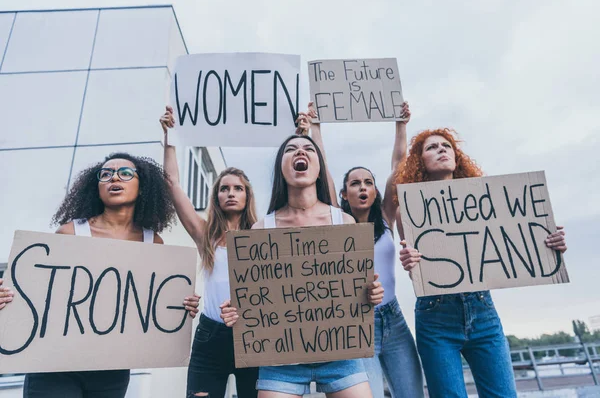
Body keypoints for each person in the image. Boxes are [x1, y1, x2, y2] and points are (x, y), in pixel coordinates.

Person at [0, 152, 200, 398]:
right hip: (55, 365)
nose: (114, 177)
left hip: (111, 369)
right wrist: (10, 296)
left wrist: (180, 304)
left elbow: (151, 302)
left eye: (125, 173)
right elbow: (40, 291)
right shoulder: (71, 232)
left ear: (143, 186)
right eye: (105, 174)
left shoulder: (152, 242)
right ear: (96, 187)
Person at [395, 128, 568, 398]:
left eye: (446, 146)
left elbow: (517, 239)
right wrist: (410, 262)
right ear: (419, 161)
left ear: (456, 156)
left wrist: (549, 244)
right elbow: (419, 272)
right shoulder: (407, 209)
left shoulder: (486, 199)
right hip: (436, 315)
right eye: (432, 147)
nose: (441, 149)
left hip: (483, 311)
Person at [220, 132, 384, 398]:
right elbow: (254, 298)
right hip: (280, 360)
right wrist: (235, 311)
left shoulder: (344, 223)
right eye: (290, 149)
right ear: (281, 169)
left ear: (319, 168)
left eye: (308, 148)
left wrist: (372, 293)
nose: (300, 152)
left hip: (341, 355)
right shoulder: (262, 229)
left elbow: (357, 291)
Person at [298, 102, 424, 397]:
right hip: (356, 323)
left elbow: (399, 167)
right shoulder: (337, 221)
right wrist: (316, 128)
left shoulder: (385, 217)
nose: (363, 187)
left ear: (376, 191)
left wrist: (400, 125)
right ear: (343, 194)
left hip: (393, 321)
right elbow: (323, 171)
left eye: (368, 182)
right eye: (355, 183)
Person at [160, 106, 259, 398]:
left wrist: (302, 136)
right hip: (210, 337)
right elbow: (172, 184)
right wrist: (170, 137)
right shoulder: (206, 235)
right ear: (216, 195)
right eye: (224, 188)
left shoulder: (261, 236)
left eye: (238, 188)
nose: (231, 193)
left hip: (253, 335)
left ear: (247, 195)